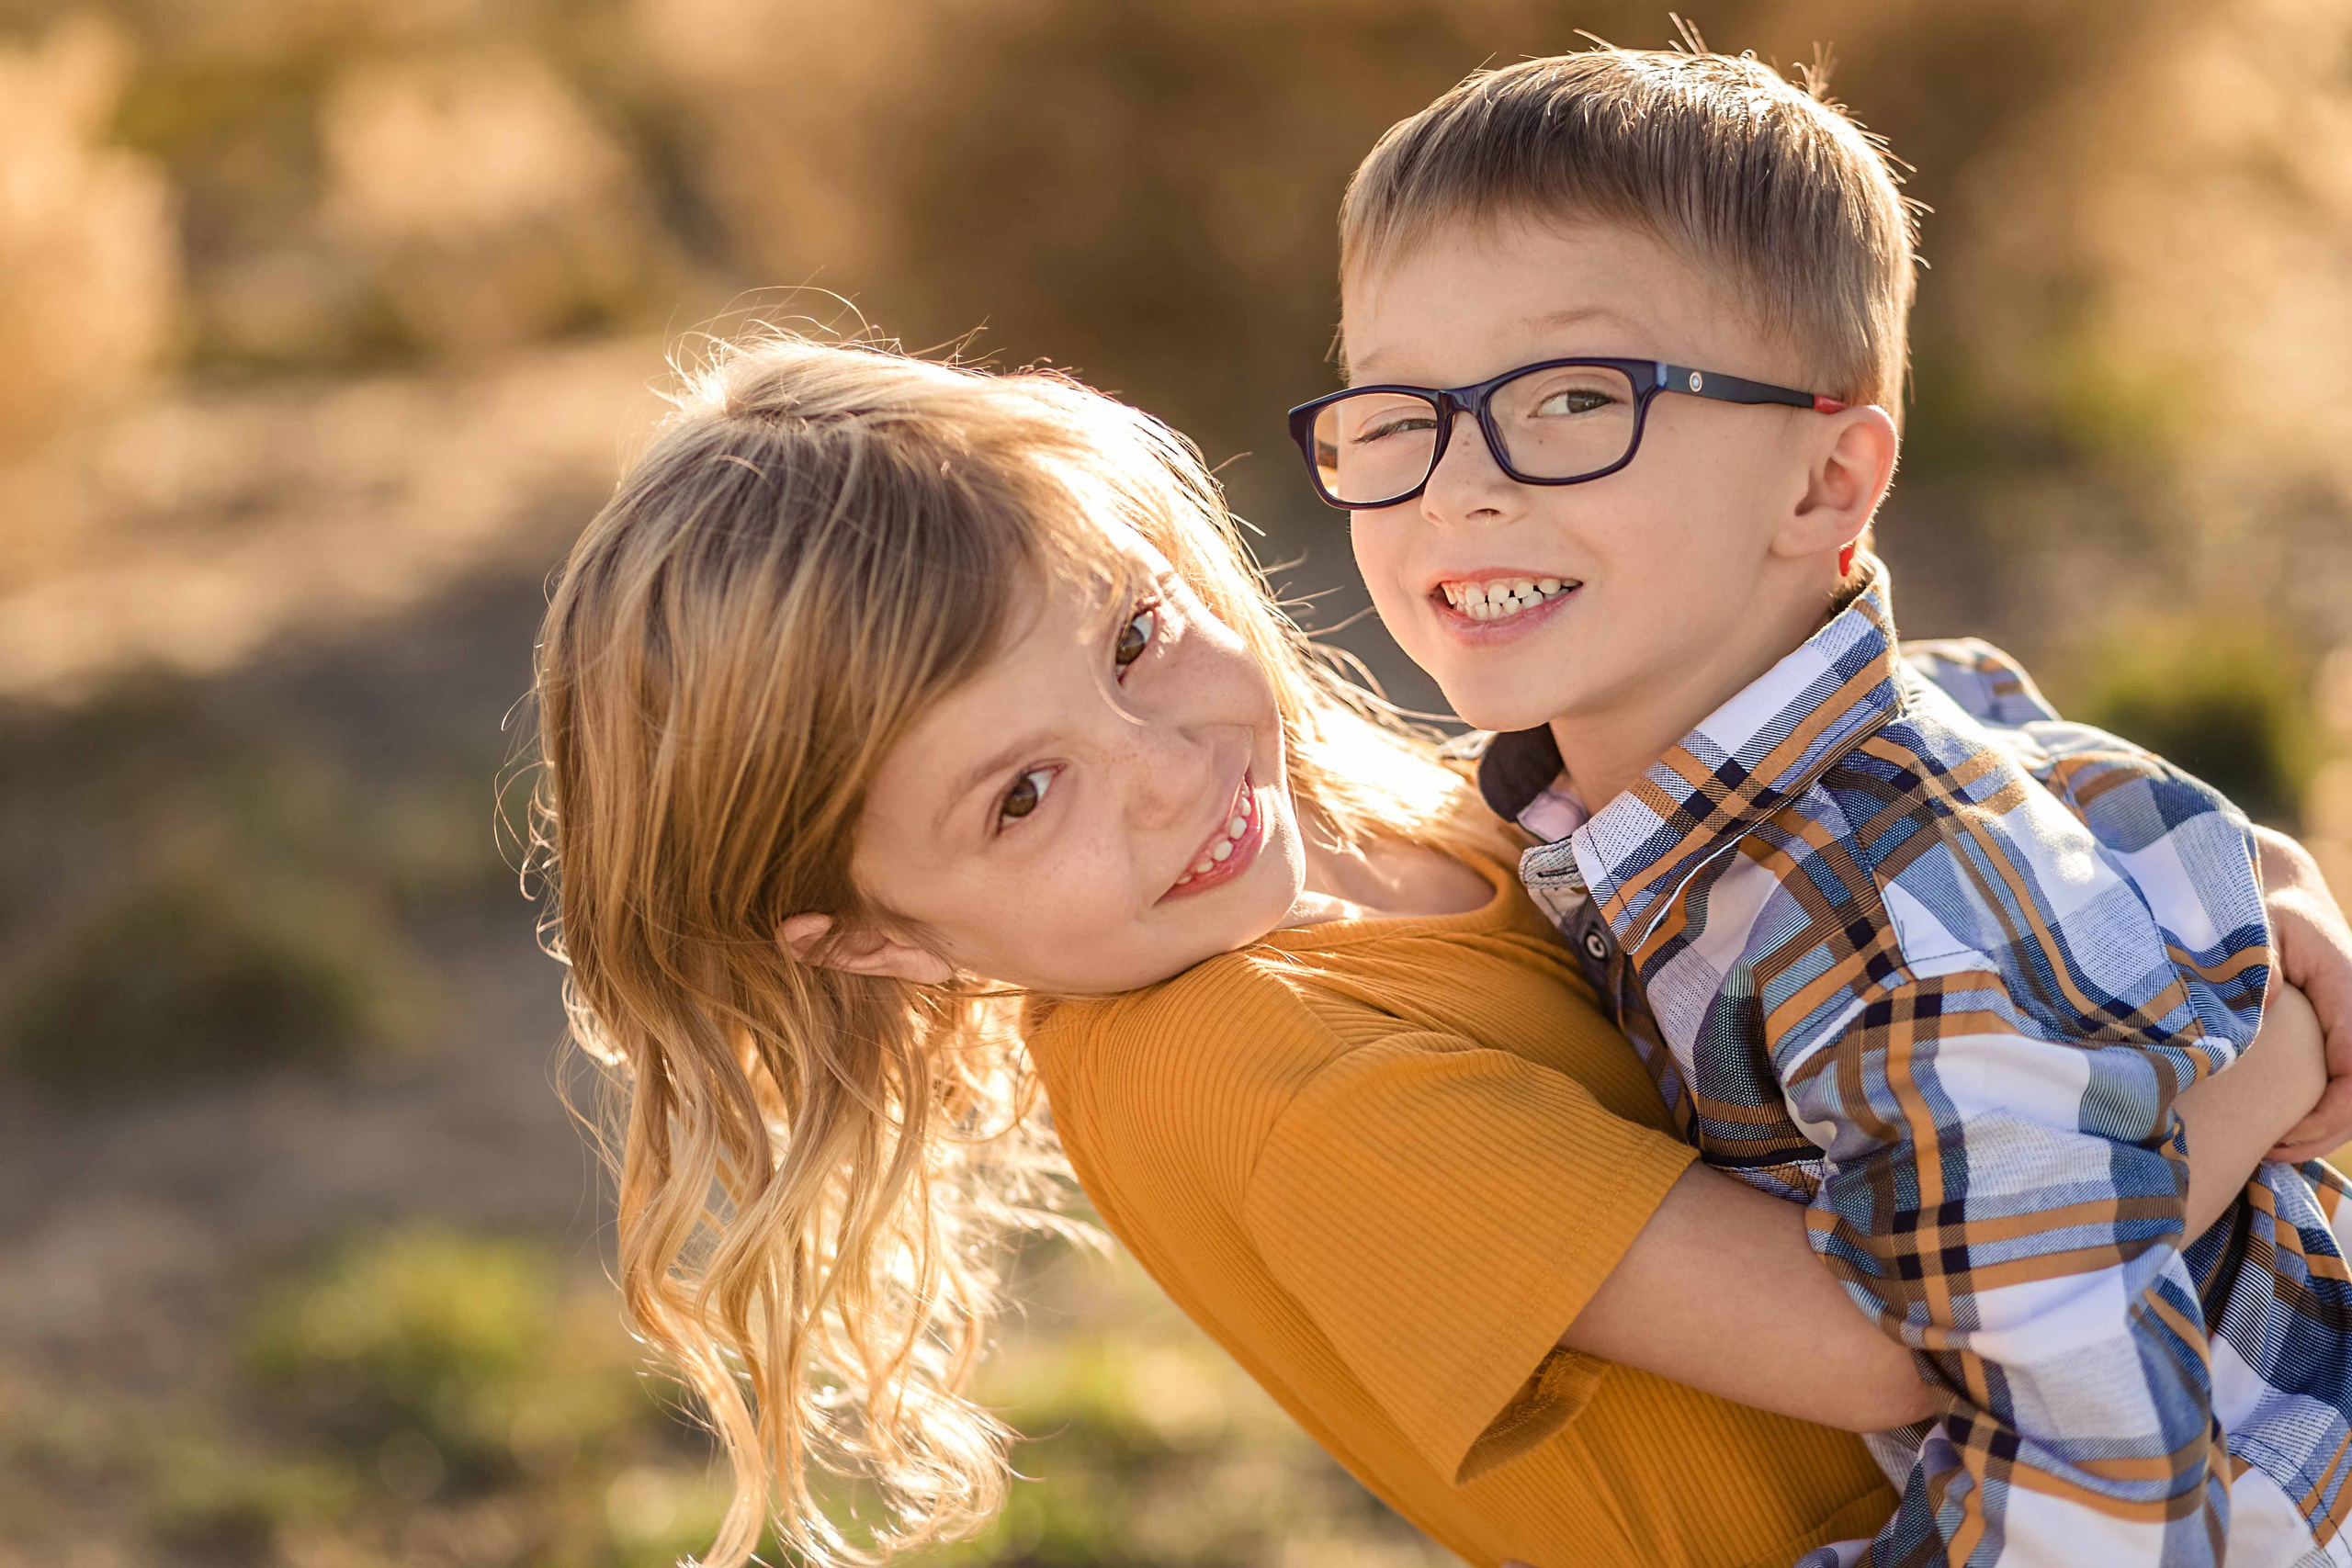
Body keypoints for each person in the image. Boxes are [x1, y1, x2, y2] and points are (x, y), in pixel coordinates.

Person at [529, 330, 2349, 1568]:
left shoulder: (1380, 812)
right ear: (868, 939)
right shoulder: (1258, 1073)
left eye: (1138, 633)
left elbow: (1880, 821)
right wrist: (2265, 1052)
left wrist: (2235, 873)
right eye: (1021, 796)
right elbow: (1891, 1337)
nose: (1167, 771)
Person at [1298, 46, 2352, 1567]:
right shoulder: (1774, 767)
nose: (1458, 488)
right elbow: (2004, 716)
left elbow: (2096, 1468)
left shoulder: (1867, 919)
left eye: (1574, 397)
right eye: (1398, 415)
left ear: (1824, 484)